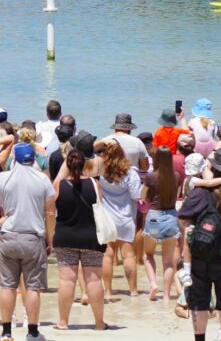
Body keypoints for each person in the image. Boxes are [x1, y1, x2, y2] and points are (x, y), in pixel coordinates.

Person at [0, 143, 55, 341]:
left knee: (8, 286)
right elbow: (50, 212)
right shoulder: (43, 180)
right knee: (33, 287)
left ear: (15, 158)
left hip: (9, 236)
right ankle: (33, 332)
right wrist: (50, 239)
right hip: (33, 237)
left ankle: (6, 332)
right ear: (33, 159)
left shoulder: (3, 177)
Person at [178, 148, 221, 341]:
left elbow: (182, 215)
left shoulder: (203, 192)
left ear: (213, 169)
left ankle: (200, 339)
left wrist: (189, 233)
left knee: (199, 302)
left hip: (201, 255)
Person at [52, 149, 106, 331]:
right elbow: (100, 207)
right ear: (85, 165)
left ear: (67, 165)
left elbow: (51, 208)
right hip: (91, 237)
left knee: (67, 280)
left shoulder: (59, 185)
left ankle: (63, 322)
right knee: (94, 280)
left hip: (65, 236)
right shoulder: (95, 183)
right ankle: (99, 323)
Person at [96, 139, 142, 299]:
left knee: (107, 255)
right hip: (126, 217)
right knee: (128, 256)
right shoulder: (130, 172)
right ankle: (133, 291)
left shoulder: (100, 171)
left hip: (107, 218)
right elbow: (136, 196)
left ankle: (108, 291)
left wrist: (101, 142)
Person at [141, 146, 180, 302]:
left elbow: (141, 195)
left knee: (148, 255)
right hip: (171, 216)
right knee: (168, 261)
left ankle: (153, 285)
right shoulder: (176, 176)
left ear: (156, 159)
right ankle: (166, 295)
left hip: (154, 216)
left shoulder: (151, 176)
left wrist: (148, 200)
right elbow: (176, 197)